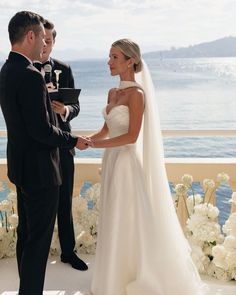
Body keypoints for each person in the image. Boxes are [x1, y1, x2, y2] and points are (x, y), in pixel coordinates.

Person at [88, 39, 208, 295]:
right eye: (109, 56)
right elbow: (107, 130)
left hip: (126, 163)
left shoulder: (137, 95)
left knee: (126, 218)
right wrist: (88, 140)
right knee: (112, 215)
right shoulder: (112, 93)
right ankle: (112, 275)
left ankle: (130, 275)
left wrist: (98, 146)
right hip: (111, 160)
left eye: (114, 57)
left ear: (130, 61)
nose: (109, 61)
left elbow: (132, 136)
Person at [0, 11, 88, 295]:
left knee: (26, 235)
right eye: (41, 37)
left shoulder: (6, 70)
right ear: (30, 36)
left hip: (20, 167)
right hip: (40, 171)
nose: (44, 43)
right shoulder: (30, 75)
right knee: (38, 243)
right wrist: (74, 141)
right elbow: (42, 131)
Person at [35, 19, 87, 271]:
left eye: (49, 40)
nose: (45, 44)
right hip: (37, 150)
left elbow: (76, 106)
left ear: (54, 42)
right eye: (41, 38)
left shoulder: (64, 69)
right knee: (36, 205)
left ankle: (68, 252)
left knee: (64, 202)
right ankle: (35, 256)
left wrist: (65, 109)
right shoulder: (25, 69)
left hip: (63, 146)